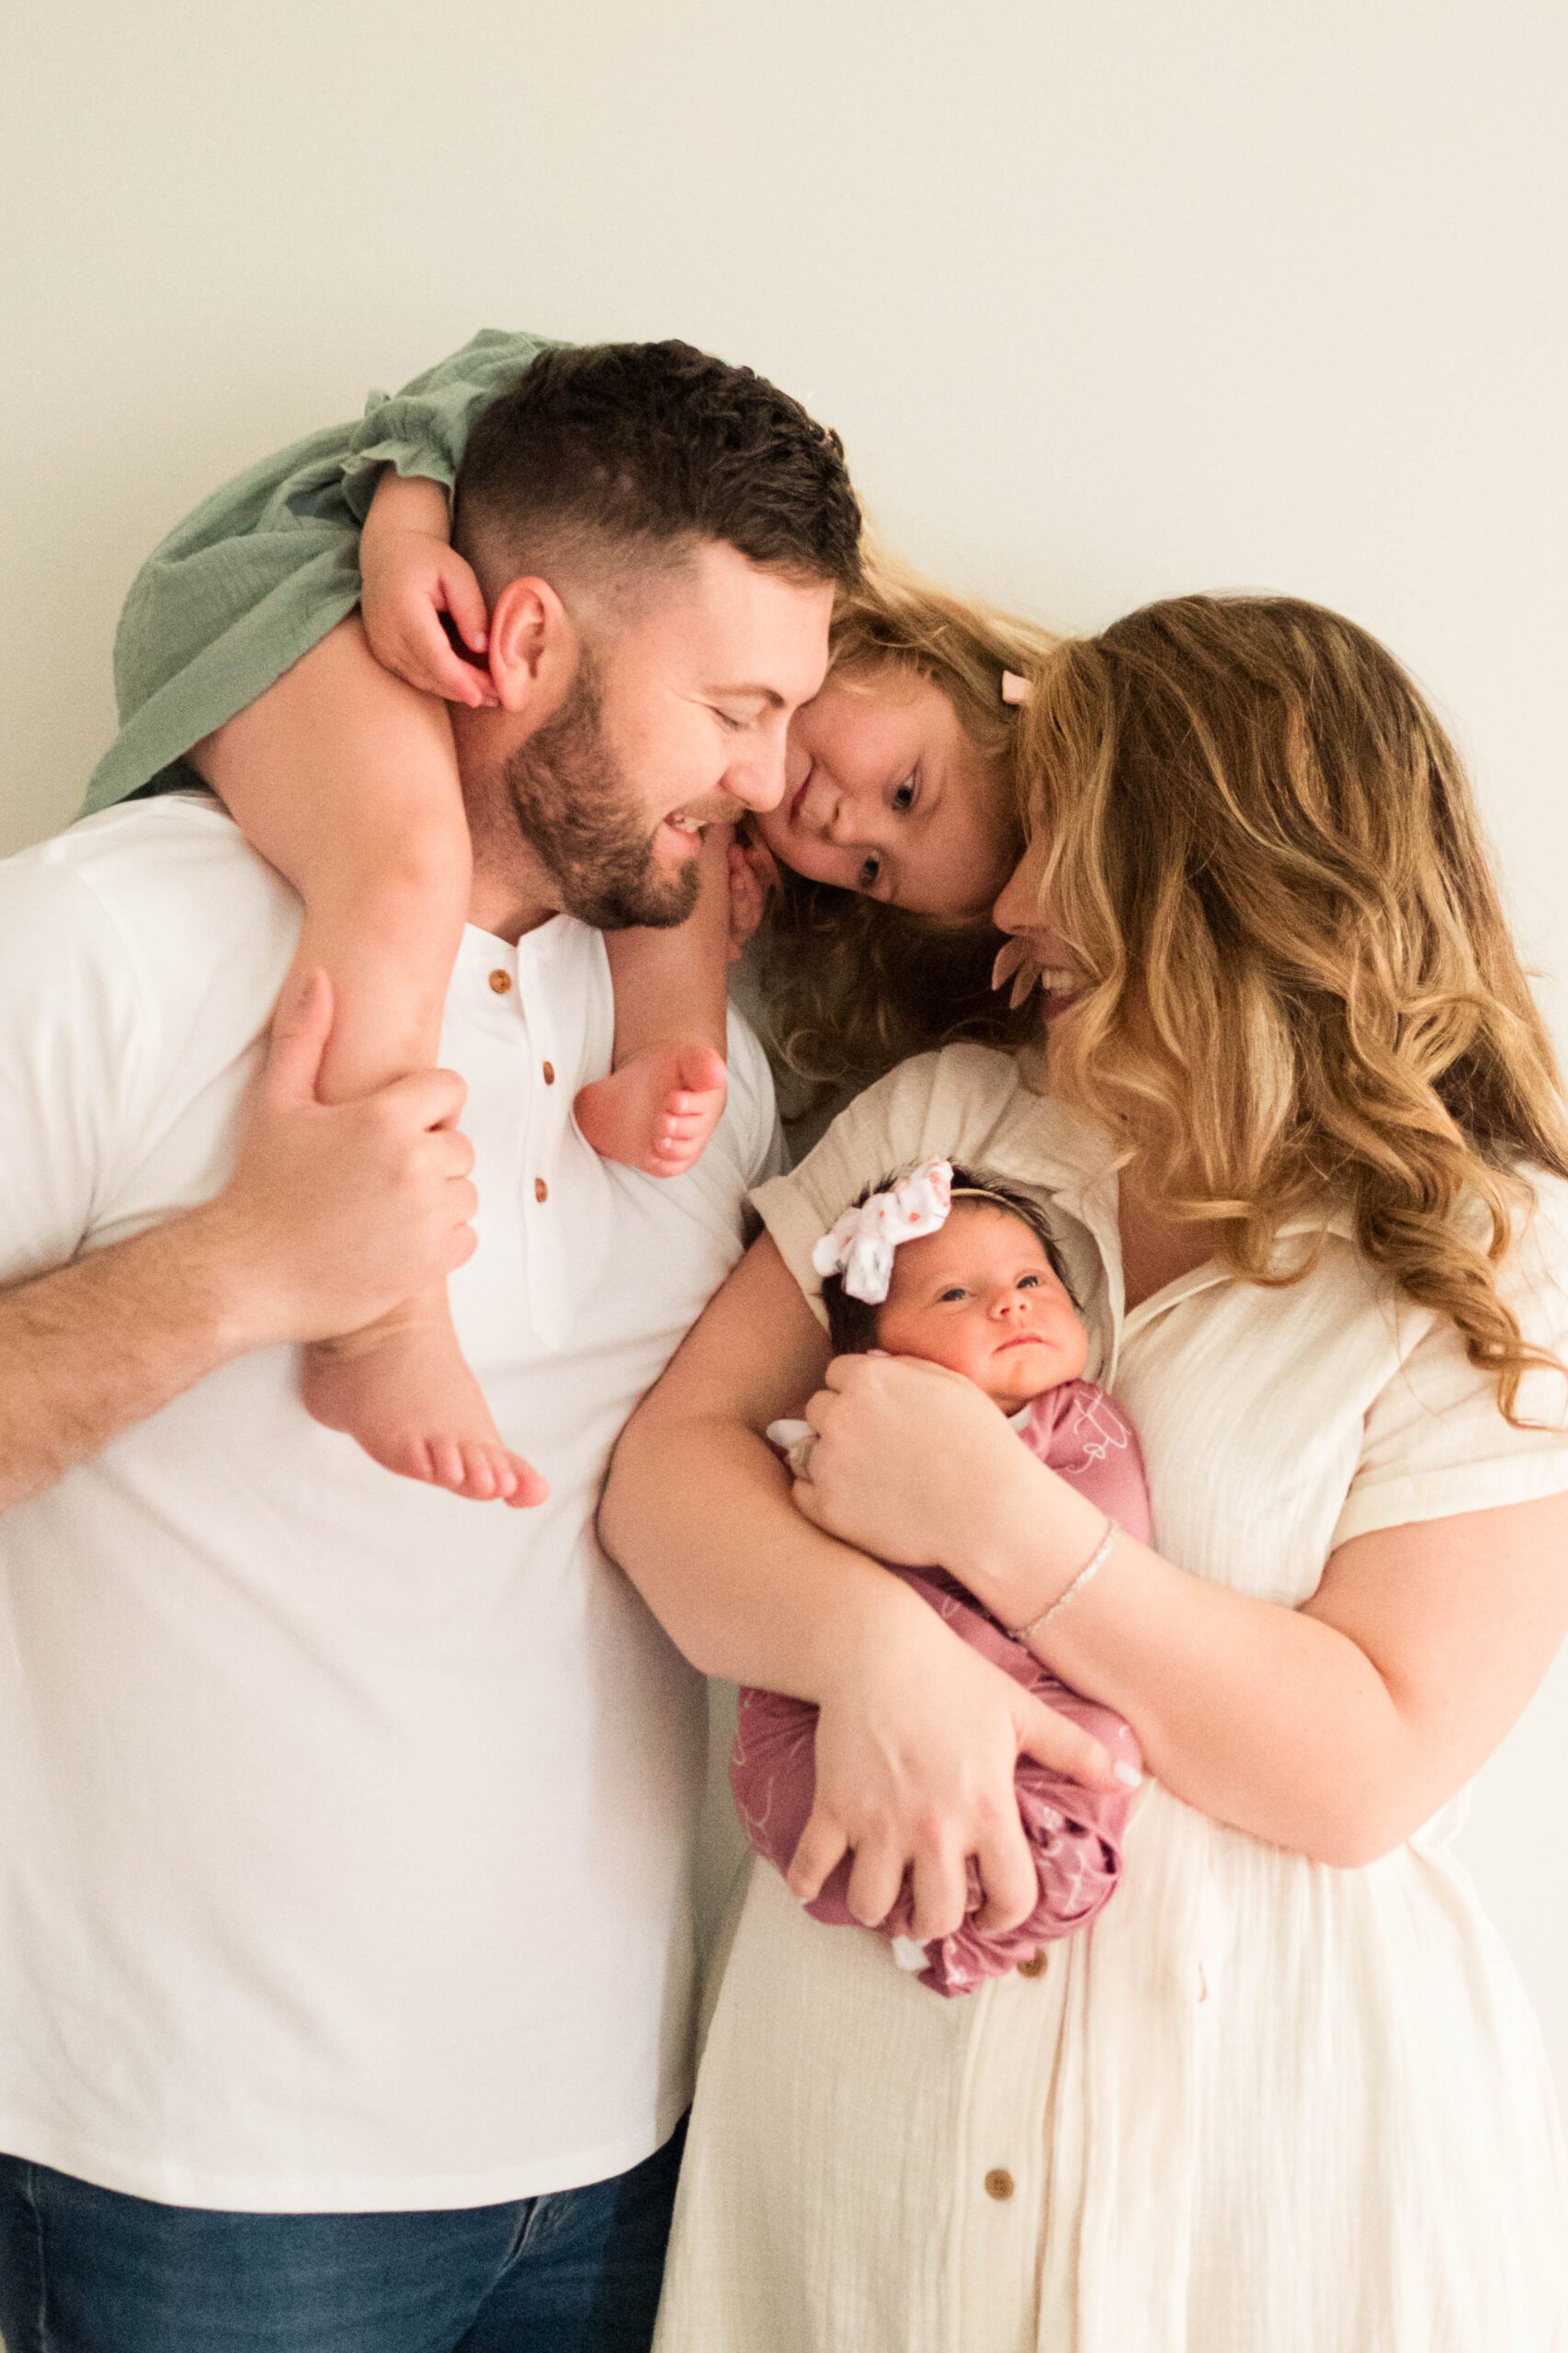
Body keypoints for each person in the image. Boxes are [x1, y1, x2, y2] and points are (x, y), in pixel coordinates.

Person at [0, 337, 860, 2353]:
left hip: (614, 2149)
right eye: (731, 708)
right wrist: (237, 1268)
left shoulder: (690, 1053)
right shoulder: (108, 946)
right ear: (532, 637)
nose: (767, 779)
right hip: (200, 2183)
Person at [601, 593, 1568, 2351]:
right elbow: (667, 1486)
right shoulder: (945, 1123)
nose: (1012, 900)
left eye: (1065, 841)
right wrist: (876, 1648)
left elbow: (1363, 1764)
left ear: (1215, 860)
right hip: (861, 2121)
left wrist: (991, 1520)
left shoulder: (1488, 1259)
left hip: (1265, 2155)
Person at [82, 329, 1043, 1506]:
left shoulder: (713, 793)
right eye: (903, 789)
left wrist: (669, 1055)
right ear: (922, 658)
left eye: (873, 872)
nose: (829, 813)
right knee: (406, 862)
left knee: (668, 857)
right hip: (296, 573)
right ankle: (382, 1318)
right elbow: (480, 372)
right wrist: (405, 531)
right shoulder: (640, 481)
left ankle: (648, 1058)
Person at [732, 1158, 1146, 1997]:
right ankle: (899, 1882)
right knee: (774, 1761)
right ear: (873, 1352)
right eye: (955, 1296)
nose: (1010, 1302)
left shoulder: (1080, 1421)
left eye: (1031, 1277)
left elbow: (1108, 1542)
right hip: (845, 1692)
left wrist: (966, 1477)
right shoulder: (842, 1425)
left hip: (1031, 1690)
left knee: (1106, 1755)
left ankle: (982, 1923)